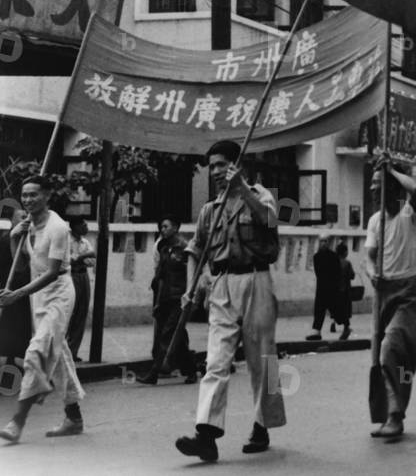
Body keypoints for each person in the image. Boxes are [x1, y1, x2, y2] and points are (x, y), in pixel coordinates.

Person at [175, 140, 286, 462]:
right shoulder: (210, 209)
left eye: (222, 164)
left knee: (261, 360)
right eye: (212, 166)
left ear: (239, 165)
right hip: (222, 284)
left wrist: (243, 189)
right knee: (215, 361)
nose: (217, 171)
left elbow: (269, 221)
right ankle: (206, 435)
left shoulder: (261, 195)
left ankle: (262, 425)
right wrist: (192, 285)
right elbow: (195, 250)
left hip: (257, 280)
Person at [0, 176, 86, 443]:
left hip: (59, 293)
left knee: (36, 351)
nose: (28, 200)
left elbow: (53, 272)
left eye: (34, 195)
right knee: (58, 355)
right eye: (24, 195)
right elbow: (22, 267)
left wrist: (17, 295)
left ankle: (17, 422)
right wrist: (14, 239)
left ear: (47, 195)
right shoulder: (27, 227)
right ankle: (74, 417)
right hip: (39, 296)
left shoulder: (58, 228)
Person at [366, 168, 416, 439]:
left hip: (407, 292)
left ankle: (395, 416)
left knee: (392, 349)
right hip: (383, 292)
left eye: (378, 184)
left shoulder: (409, 214)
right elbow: (369, 256)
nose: (373, 189)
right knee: (380, 357)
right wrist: (371, 273)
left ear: (392, 188)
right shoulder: (375, 221)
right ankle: (388, 412)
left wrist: (390, 169)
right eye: (372, 184)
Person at [137, 215, 197, 385]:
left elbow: (191, 273)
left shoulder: (185, 248)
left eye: (166, 226)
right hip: (165, 297)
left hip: (180, 298)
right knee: (177, 336)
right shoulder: (163, 248)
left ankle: (154, 372)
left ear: (176, 228)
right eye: (161, 227)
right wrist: (157, 302)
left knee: (167, 334)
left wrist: (190, 296)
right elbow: (160, 275)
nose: (162, 230)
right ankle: (191, 369)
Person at [0, 209, 33, 376]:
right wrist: (8, 285)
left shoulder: (25, 240)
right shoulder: (6, 240)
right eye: (22, 217)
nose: (26, 220)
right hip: (9, 291)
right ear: (13, 220)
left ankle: (14, 363)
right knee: (6, 328)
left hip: (22, 293)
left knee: (21, 328)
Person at [65, 216, 94, 361]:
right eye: (83, 224)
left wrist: (80, 258)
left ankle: (73, 351)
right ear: (74, 227)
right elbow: (69, 260)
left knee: (82, 312)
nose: (86, 227)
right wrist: (83, 257)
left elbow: (91, 261)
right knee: (70, 311)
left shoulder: (85, 242)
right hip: (71, 276)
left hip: (83, 276)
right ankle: (64, 350)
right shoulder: (67, 241)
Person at [307, 236, 341, 341]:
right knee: (319, 310)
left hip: (331, 287)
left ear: (328, 243)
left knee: (336, 310)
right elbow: (318, 273)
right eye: (321, 241)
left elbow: (337, 271)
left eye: (325, 241)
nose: (323, 243)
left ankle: (345, 326)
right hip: (322, 287)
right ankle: (316, 331)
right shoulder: (316, 256)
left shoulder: (333, 256)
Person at [334, 241, 355, 340]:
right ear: (345, 252)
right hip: (345, 290)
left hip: (335, 290)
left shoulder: (333, 262)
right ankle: (346, 327)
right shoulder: (347, 263)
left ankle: (336, 324)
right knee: (345, 310)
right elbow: (352, 275)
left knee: (337, 309)